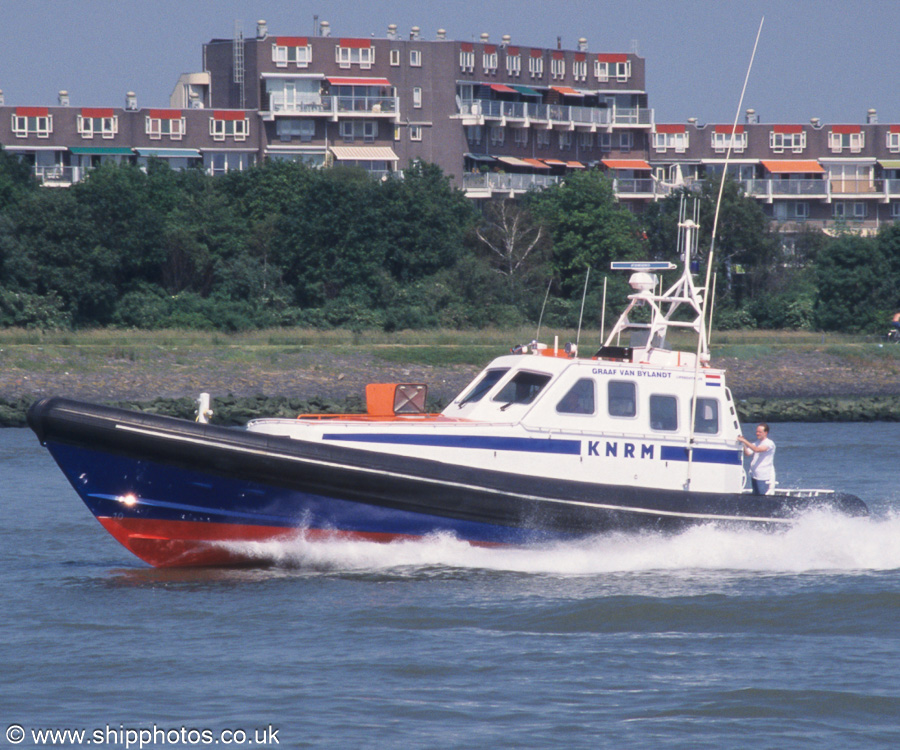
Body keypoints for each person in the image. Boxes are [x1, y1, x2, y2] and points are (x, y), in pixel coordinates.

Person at [738, 423, 776, 495]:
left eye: (760, 432)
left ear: (765, 433)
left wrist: (744, 440)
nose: (757, 433)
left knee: (762, 496)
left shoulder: (769, 443)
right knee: (755, 495)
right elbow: (748, 453)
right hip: (755, 474)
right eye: (757, 432)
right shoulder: (757, 442)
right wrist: (743, 444)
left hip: (763, 476)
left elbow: (757, 449)